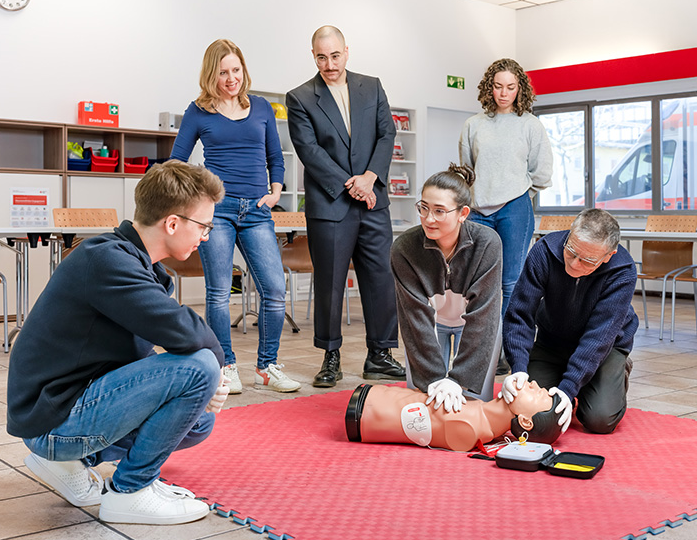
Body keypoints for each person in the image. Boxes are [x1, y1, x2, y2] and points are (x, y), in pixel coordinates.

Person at [6, 161, 230, 525]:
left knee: (198, 423)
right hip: (50, 421)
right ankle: (131, 492)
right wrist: (218, 372)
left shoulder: (135, 263)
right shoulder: (106, 260)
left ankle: (72, 461)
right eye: (204, 225)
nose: (205, 235)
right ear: (172, 223)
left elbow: (151, 352)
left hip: (63, 409)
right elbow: (184, 330)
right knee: (201, 366)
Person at [171, 39, 300, 394]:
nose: (231, 79)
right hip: (219, 212)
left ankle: (267, 365)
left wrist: (276, 191)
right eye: (223, 72)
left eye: (236, 70)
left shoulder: (261, 107)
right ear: (212, 74)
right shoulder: (199, 111)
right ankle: (226, 365)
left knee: (274, 289)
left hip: (258, 212)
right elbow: (176, 160)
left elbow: (276, 155)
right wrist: (195, 200)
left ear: (244, 70)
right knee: (218, 293)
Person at [286, 25, 405, 387]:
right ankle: (330, 356)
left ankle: (380, 355)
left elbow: (388, 134)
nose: (329, 63)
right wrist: (351, 184)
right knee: (330, 282)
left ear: (346, 52)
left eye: (335, 55)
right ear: (313, 56)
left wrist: (370, 177)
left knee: (381, 278)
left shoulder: (372, 86)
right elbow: (309, 151)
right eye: (321, 57)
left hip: (373, 199)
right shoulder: (300, 97)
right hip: (330, 203)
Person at [501, 208, 638, 437]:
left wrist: (568, 387)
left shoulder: (623, 272)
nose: (574, 264)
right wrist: (518, 368)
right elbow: (520, 313)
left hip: (605, 347)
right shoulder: (544, 251)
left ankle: (613, 372)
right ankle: (574, 376)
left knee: (599, 419)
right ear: (570, 234)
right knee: (523, 405)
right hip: (552, 342)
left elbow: (599, 337)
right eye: (571, 251)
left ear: (608, 255)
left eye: (587, 261)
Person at [459, 58, 553, 374]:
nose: (503, 93)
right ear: (489, 87)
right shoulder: (474, 125)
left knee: (511, 283)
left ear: (519, 89)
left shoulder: (530, 125)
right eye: (498, 86)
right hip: (478, 211)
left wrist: (522, 193)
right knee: (480, 283)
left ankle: (513, 354)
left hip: (515, 207)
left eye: (510, 87)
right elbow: (466, 171)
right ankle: (486, 351)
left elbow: (542, 171)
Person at [390, 164, 502, 409]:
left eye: (440, 211)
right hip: (430, 325)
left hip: (475, 326)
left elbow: (483, 315)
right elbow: (414, 318)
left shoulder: (487, 243)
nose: (429, 219)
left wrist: (459, 380)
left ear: (462, 213)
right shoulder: (405, 248)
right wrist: (435, 379)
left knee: (473, 406)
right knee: (427, 404)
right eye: (424, 208)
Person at [345, 380, 561, 452]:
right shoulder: (480, 416)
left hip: (365, 413)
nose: (532, 383)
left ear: (525, 420)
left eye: (537, 392)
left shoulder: (470, 427)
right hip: (369, 402)